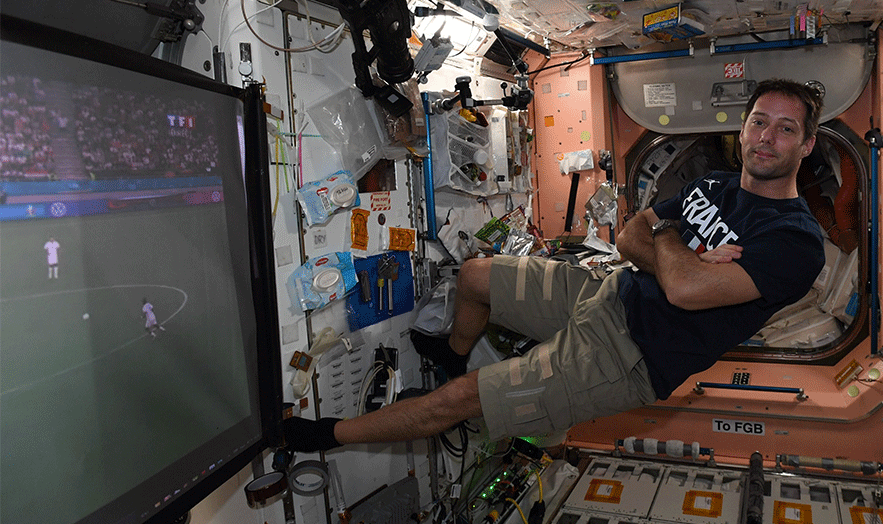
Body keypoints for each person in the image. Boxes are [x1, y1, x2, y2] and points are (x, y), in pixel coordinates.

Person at [283, 79, 826, 453]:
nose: (766, 138)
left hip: (631, 355)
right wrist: (674, 248)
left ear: (807, 144)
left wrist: (669, 247)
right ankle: (452, 355)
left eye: (784, 129)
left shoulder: (796, 242)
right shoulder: (718, 184)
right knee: (474, 275)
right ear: (744, 125)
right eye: (759, 122)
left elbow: (683, 291)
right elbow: (636, 231)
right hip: (609, 292)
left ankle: (326, 435)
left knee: (459, 400)